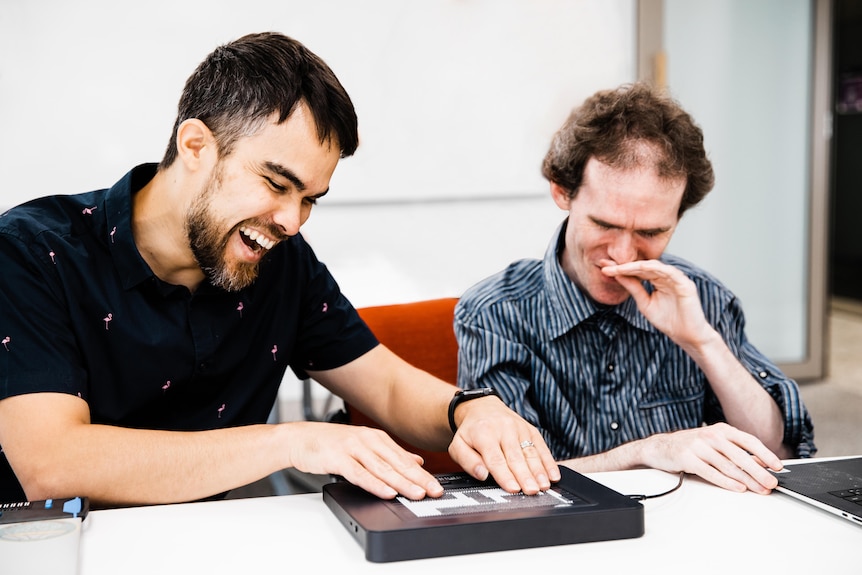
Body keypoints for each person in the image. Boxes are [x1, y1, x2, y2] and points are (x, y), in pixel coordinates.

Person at [0, 32, 559, 507]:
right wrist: (291, 443)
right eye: (276, 183)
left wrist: (470, 409)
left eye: (311, 198)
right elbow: (50, 462)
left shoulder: (280, 259)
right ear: (195, 145)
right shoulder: (31, 252)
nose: (292, 220)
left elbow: (385, 385)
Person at [454, 82, 816, 496]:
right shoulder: (495, 312)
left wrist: (702, 342)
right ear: (561, 191)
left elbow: (782, 454)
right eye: (605, 224)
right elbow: (510, 483)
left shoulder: (701, 296)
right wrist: (646, 452)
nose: (624, 254)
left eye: (652, 231)